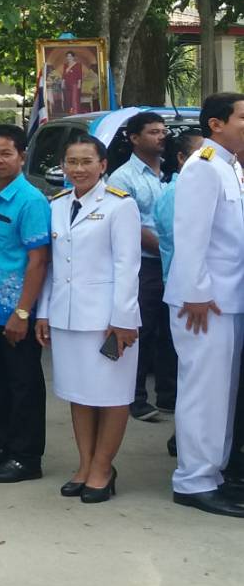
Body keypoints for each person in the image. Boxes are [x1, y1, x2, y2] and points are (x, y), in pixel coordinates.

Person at [35, 136, 140, 503]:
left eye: (86, 161)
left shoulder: (119, 206)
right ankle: (84, 464)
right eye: (71, 162)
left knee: (112, 396)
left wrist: (123, 318)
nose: (78, 169)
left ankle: (103, 466)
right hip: (66, 316)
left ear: (103, 165)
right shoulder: (58, 205)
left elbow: (129, 266)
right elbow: (50, 265)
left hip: (106, 319)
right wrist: (44, 312)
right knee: (79, 394)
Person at [165, 92, 244, 518]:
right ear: (215, 124)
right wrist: (195, 293)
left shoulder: (229, 167)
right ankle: (193, 481)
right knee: (203, 393)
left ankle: (211, 474)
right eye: (243, 117)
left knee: (221, 396)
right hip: (204, 304)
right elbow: (190, 236)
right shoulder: (204, 168)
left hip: (227, 299)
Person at [0, 125, 51, 484]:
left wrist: (22, 312)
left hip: (15, 312)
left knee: (23, 386)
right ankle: (6, 446)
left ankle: (26, 457)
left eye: (6, 153)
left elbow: (38, 261)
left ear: (21, 156)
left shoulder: (31, 201)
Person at [108, 111, 172, 422]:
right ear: (134, 138)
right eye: (153, 132)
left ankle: (169, 395)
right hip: (145, 264)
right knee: (141, 330)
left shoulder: (169, 173)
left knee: (170, 331)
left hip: (172, 264)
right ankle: (134, 397)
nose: (161, 136)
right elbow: (132, 227)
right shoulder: (123, 178)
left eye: (163, 131)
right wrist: (168, 250)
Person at [156, 130, 206, 281]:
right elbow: (184, 246)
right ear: (182, 158)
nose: (210, 159)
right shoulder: (174, 193)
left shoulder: (205, 188)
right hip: (183, 284)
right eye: (202, 155)